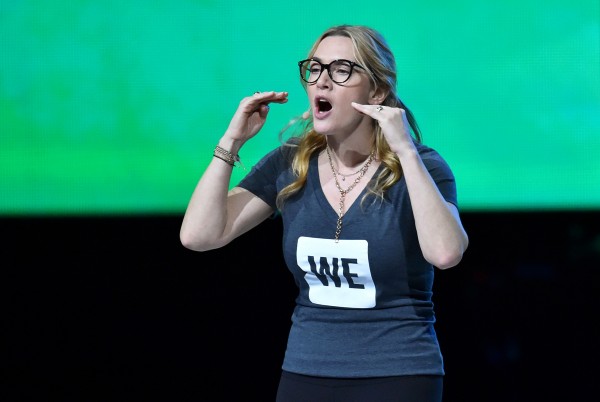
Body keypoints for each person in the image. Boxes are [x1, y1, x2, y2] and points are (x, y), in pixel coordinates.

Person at [180, 24, 469, 402]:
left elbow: (446, 253)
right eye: (315, 69)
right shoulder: (290, 164)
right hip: (306, 372)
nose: (322, 82)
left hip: (399, 374)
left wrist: (405, 152)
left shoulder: (422, 168)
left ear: (377, 91)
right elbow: (199, 236)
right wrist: (231, 140)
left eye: (342, 70)